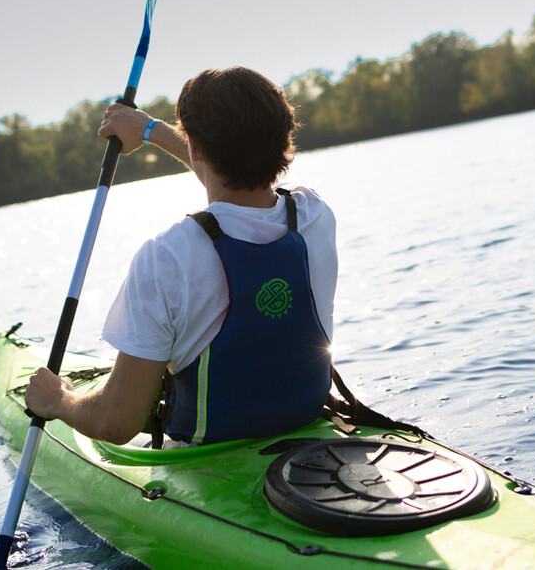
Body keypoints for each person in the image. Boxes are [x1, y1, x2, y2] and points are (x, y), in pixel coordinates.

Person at [24, 66, 338, 446]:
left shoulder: (166, 256)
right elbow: (236, 174)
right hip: (308, 427)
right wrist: (148, 129)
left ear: (197, 148)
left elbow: (118, 422)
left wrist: (58, 400)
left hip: (207, 456)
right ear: (284, 138)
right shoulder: (314, 215)